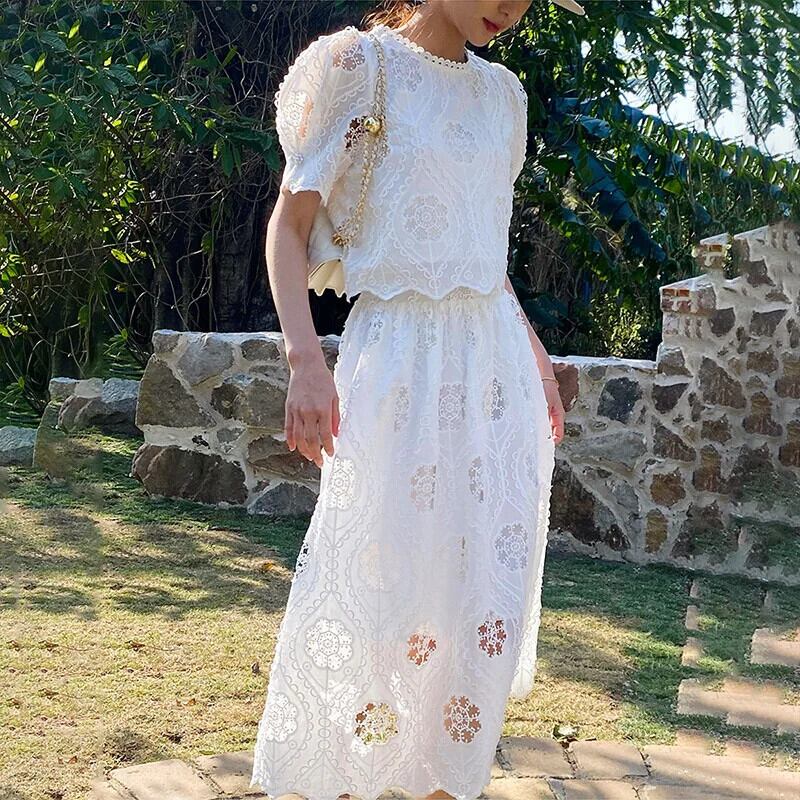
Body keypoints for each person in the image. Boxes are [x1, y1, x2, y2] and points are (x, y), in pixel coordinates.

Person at [252, 1, 577, 798]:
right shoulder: (357, 67)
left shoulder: (504, 97)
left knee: (473, 600)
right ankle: (345, 779)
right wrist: (305, 362)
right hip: (396, 364)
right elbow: (289, 228)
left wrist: (537, 362)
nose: (512, 8)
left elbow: (483, 257)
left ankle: (444, 783)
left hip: (494, 375)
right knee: (376, 587)